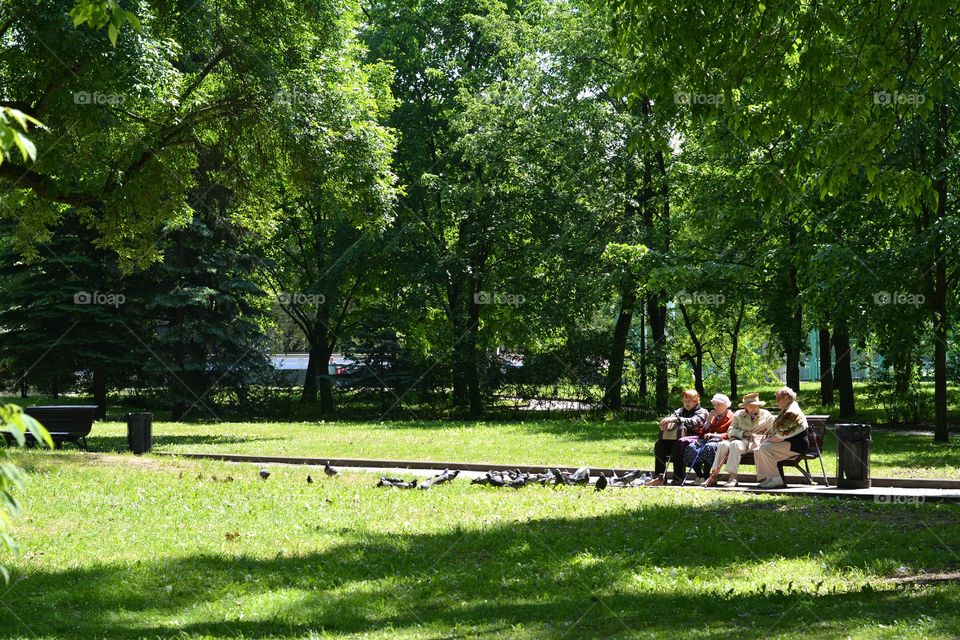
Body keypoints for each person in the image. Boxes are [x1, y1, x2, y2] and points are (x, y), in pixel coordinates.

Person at [703, 392, 773, 487]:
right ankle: (713, 476)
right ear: (745, 407)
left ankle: (733, 478)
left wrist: (763, 436)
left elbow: (774, 429)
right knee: (723, 444)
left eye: (755, 406)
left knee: (734, 444)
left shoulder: (766, 415)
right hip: (742, 440)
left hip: (756, 443)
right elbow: (730, 431)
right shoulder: (739, 414)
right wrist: (744, 433)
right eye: (750, 406)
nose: (753, 408)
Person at [646, 390, 708, 486]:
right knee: (659, 444)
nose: (686, 403)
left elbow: (695, 422)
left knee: (678, 445)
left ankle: (678, 478)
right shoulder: (679, 411)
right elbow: (671, 420)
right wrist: (665, 424)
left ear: (696, 401)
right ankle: (659, 477)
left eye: (689, 401)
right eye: (685, 400)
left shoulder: (702, 411)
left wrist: (677, 419)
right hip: (676, 438)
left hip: (695, 440)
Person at [754, 386, 808, 489]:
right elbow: (776, 427)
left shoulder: (791, 412)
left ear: (786, 398)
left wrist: (766, 441)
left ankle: (777, 479)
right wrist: (768, 433)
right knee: (758, 450)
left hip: (796, 445)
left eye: (778, 398)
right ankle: (768, 478)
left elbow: (780, 436)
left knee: (765, 448)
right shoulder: (786, 409)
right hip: (787, 443)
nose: (776, 401)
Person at [680, 393, 733, 484]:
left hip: (720, 440)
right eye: (714, 405)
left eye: (718, 405)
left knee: (709, 447)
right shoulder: (713, 415)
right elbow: (702, 433)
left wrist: (715, 435)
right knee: (691, 447)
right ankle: (699, 476)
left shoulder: (732, 417)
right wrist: (708, 421)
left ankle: (706, 476)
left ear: (725, 405)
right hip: (707, 439)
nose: (715, 407)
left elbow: (730, 434)